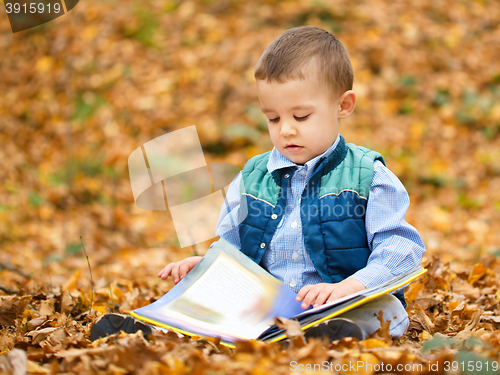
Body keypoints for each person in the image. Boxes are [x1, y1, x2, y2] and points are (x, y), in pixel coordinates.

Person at [92, 26, 426, 343]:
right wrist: (209, 267)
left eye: (301, 117)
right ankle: (152, 330)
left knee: (386, 312)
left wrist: (351, 286)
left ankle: (324, 336)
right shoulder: (254, 176)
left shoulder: (368, 176)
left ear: (343, 105)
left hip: (342, 304)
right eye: (273, 118)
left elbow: (401, 250)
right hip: (265, 308)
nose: (285, 130)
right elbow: (233, 246)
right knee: (214, 304)